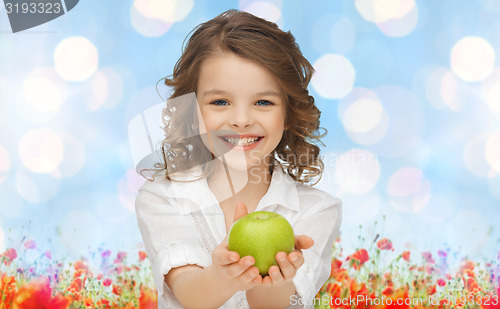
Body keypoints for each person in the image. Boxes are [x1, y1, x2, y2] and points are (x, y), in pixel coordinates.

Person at [135, 9, 342, 309]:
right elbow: (190, 294)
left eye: (263, 102)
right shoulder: (163, 199)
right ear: (193, 112)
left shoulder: (317, 210)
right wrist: (223, 278)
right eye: (220, 101)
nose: (242, 120)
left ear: (287, 114)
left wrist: (274, 280)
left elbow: (286, 303)